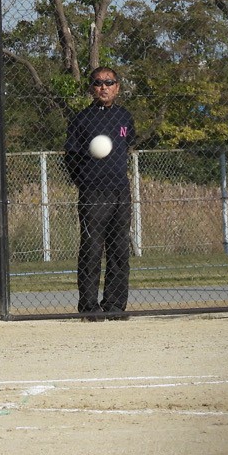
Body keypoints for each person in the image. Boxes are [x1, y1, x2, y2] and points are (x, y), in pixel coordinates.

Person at [63, 66, 135, 320]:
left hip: (120, 192)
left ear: (117, 87)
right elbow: (70, 159)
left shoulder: (125, 117)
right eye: (98, 83)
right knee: (92, 249)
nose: (103, 87)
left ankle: (115, 306)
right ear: (91, 88)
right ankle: (89, 308)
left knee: (119, 249)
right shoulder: (81, 120)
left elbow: (127, 146)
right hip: (94, 193)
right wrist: (85, 183)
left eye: (109, 82)